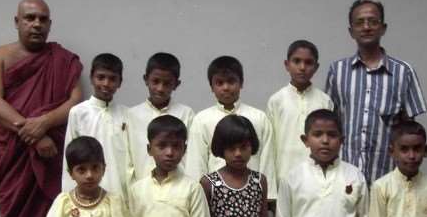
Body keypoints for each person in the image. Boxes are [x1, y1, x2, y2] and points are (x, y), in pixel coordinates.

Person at [0, 0, 82, 217]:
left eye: (42, 19)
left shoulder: (64, 60)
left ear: (49, 24)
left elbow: (75, 101)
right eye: (29, 18)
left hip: (51, 160)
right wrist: (33, 132)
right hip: (15, 162)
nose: (36, 24)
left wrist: (45, 122)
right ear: (17, 22)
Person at [325, 0, 427, 185]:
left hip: (388, 178)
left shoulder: (404, 72)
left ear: (383, 28)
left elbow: (410, 129)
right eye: (359, 22)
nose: (366, 27)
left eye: (373, 21)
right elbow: (330, 124)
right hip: (344, 179)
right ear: (351, 31)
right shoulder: (337, 71)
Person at [185, 55, 277, 202]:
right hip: (216, 198)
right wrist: (197, 198)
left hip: (252, 196)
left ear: (241, 83)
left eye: (231, 81)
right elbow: (197, 162)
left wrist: (268, 197)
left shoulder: (259, 118)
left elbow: (267, 159)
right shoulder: (202, 120)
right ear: (211, 87)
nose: (226, 87)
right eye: (220, 83)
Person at [62, 53, 132, 203]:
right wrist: (69, 199)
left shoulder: (127, 114)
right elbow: (70, 157)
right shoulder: (79, 112)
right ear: (92, 78)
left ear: (120, 82)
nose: (106, 83)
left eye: (113, 79)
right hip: (88, 190)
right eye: (101, 77)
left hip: (121, 191)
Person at [266, 40, 333, 182]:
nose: (302, 67)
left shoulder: (324, 101)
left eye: (308, 63)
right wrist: (271, 188)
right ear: (287, 65)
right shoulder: (276, 101)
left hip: (318, 177)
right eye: (296, 61)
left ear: (316, 67)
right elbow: (269, 147)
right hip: (284, 176)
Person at [128, 52, 194, 181]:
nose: (160, 88)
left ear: (176, 84)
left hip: (178, 188)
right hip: (141, 189)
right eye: (156, 81)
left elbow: (190, 156)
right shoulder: (132, 115)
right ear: (146, 79)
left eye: (167, 83)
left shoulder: (186, 114)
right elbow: (128, 159)